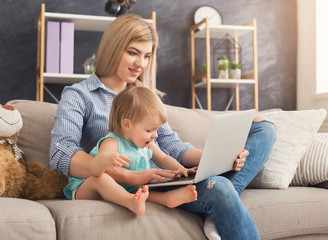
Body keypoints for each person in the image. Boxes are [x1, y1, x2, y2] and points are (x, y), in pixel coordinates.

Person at [50, 14, 276, 240]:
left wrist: (221, 157)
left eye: (147, 55)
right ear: (112, 49)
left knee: (264, 128)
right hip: (132, 182)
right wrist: (124, 174)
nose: (141, 64)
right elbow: (61, 153)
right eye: (133, 53)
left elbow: (171, 147)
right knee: (221, 188)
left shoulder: (146, 97)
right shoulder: (79, 95)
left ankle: (217, 211)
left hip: (160, 176)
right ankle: (220, 206)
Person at [62, 86, 197, 216]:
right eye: (149, 130)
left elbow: (163, 158)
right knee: (102, 178)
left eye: (157, 130)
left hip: (124, 188)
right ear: (127, 125)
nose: (155, 135)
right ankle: (129, 202)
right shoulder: (112, 142)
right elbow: (94, 171)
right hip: (87, 189)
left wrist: (181, 169)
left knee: (142, 189)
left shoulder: (147, 143)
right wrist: (104, 160)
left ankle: (166, 198)